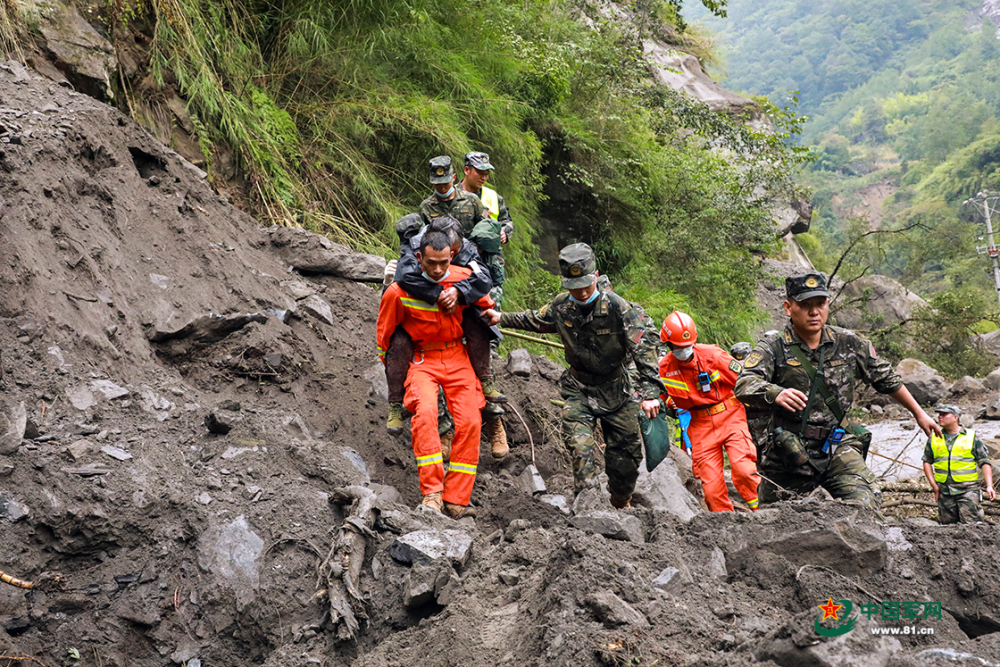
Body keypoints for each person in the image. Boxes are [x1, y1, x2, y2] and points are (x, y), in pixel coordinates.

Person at [734, 272, 940, 509]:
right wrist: (775, 393)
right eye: (805, 305)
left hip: (836, 442)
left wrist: (919, 414)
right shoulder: (773, 347)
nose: (814, 312)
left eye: (820, 304)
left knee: (866, 504)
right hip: (788, 450)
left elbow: (886, 378)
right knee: (775, 519)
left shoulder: (849, 342)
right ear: (788, 308)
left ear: (827, 305)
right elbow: (744, 383)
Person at [499, 244, 663, 508]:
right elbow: (531, 319)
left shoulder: (620, 309)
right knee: (580, 448)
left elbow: (644, 351)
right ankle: (588, 508)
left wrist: (651, 394)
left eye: (586, 284)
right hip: (579, 390)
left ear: (596, 276)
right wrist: (497, 317)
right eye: (575, 286)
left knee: (625, 464)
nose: (582, 292)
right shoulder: (561, 307)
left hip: (618, 392)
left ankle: (621, 502)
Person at [376, 228, 499, 518]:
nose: (438, 269)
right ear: (419, 258)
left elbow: (485, 307)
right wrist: (394, 370)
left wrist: (492, 313)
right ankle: (432, 493)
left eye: (444, 262)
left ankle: (457, 498)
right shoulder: (399, 291)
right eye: (431, 262)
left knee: (470, 419)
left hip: (457, 356)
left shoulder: (462, 280)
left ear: (452, 256)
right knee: (426, 413)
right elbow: (385, 335)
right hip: (422, 359)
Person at [381, 216, 505, 437]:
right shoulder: (416, 245)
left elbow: (483, 278)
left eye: (451, 256)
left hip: (459, 307)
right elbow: (405, 277)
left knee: (480, 330)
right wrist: (438, 294)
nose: (442, 266)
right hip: (423, 316)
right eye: (433, 261)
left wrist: (458, 291)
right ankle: (406, 409)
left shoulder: (464, 248)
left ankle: (494, 417)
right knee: (402, 347)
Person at [658, 311, 759, 512]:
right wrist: (669, 403)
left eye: (687, 346)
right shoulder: (665, 368)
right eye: (678, 347)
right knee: (711, 490)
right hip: (699, 424)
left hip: (729, 414)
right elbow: (661, 396)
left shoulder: (713, 355)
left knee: (744, 470)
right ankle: (727, 527)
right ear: (668, 345)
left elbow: (745, 380)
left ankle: (761, 512)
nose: (684, 351)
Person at [922, 404, 995, 524]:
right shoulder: (934, 437)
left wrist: (989, 485)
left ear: (955, 417)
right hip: (944, 491)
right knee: (948, 529)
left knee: (971, 526)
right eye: (939, 415)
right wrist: (934, 485)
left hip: (968, 490)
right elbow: (926, 461)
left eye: (944, 415)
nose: (940, 417)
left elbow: (984, 461)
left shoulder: (972, 437)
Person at [458, 152, 512, 306]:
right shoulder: (452, 195)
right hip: (459, 263)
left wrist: (504, 233)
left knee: (490, 311)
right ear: (467, 170)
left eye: (486, 174)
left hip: (490, 264)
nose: (484, 177)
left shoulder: (493, 197)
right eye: (480, 173)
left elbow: (507, 221)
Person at [419, 156, 488, 235]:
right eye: (438, 184)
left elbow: (485, 227)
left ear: (453, 177)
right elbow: (421, 238)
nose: (443, 188)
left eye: (446, 183)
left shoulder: (472, 200)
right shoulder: (426, 207)